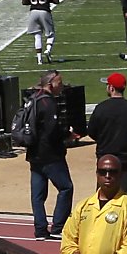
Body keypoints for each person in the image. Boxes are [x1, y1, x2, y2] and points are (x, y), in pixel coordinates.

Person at [22, 70, 76, 238]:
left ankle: (40, 229)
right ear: (50, 84)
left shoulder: (33, 100)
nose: (62, 86)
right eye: (59, 83)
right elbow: (53, 131)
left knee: (38, 195)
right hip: (50, 155)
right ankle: (58, 227)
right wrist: (67, 135)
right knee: (66, 187)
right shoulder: (49, 103)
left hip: (34, 154)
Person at [89, 71, 127, 194]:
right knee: (124, 196)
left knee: (103, 194)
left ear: (111, 88)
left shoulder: (100, 108)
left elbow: (92, 132)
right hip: (125, 159)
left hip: (104, 158)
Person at [23, 0, 60, 64]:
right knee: (50, 34)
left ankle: (39, 60)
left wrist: (33, 1)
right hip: (44, 11)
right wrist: (49, 0)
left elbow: (24, 2)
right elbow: (56, 0)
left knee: (37, 35)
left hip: (33, 11)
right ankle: (47, 50)